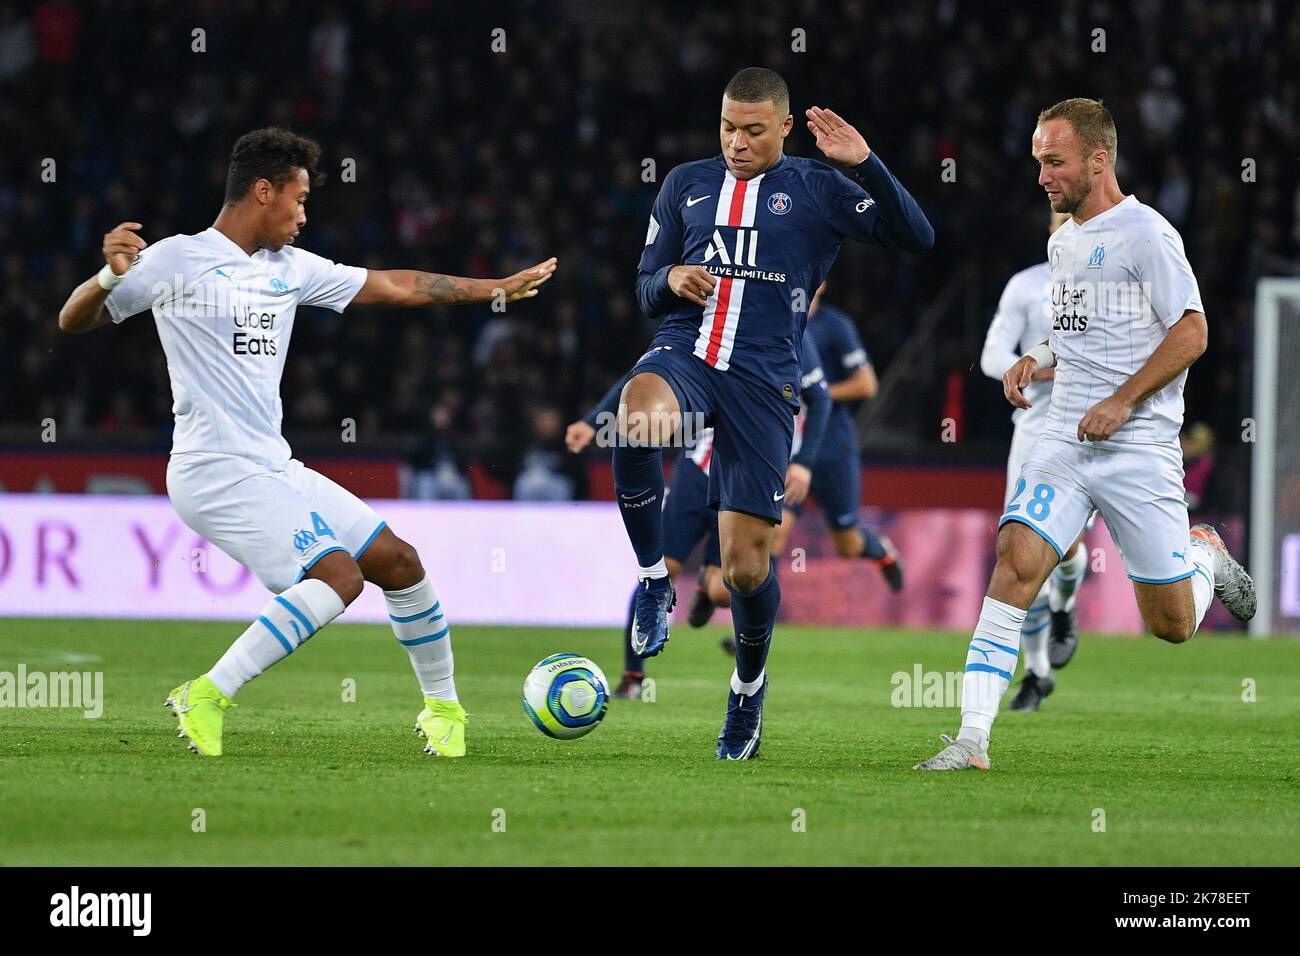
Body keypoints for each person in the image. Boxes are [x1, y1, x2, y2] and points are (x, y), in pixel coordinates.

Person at [57, 127, 557, 758]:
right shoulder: (177, 259)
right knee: (338, 577)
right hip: (213, 470)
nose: (302, 215)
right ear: (261, 192)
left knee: (399, 563)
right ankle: (208, 693)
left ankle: (444, 711)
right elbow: (73, 320)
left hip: (273, 465)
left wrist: (493, 289)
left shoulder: (290, 269)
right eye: (297, 199)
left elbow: (394, 284)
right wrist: (106, 275)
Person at [915, 99, 1255, 772]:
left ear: (1099, 160)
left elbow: (1192, 331)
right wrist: (1036, 358)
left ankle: (1205, 559)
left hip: (1138, 449)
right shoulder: (1064, 239)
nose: (1042, 175)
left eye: (1054, 161)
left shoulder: (1147, 235)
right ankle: (971, 739)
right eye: (1038, 160)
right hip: (1065, 442)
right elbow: (1080, 335)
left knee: (1171, 626)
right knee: (1015, 561)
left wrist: (1124, 402)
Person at [613, 66, 933, 758]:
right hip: (686, 352)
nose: (736, 142)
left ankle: (748, 691)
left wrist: (869, 165)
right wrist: (668, 278)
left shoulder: (818, 189)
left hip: (763, 384)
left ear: (784, 128)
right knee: (634, 419)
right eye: (728, 127)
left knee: (746, 571)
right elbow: (643, 289)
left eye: (753, 130)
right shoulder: (684, 185)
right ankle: (650, 583)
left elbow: (918, 238)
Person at [566, 326, 830, 698]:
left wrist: (803, 462)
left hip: (742, 474)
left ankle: (710, 593)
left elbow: (822, 400)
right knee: (665, 568)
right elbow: (641, 377)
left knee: (726, 590)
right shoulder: (708, 321)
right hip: (696, 469)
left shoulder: (792, 334)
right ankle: (632, 677)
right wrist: (593, 421)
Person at [980, 211, 1090, 713]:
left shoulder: (1113, 285)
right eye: (1058, 222)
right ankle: (1038, 673)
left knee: (1065, 550)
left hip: (1094, 432)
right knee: (1022, 552)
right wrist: (1027, 368)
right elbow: (990, 354)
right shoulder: (1026, 286)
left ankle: (1065, 607)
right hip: (1032, 434)